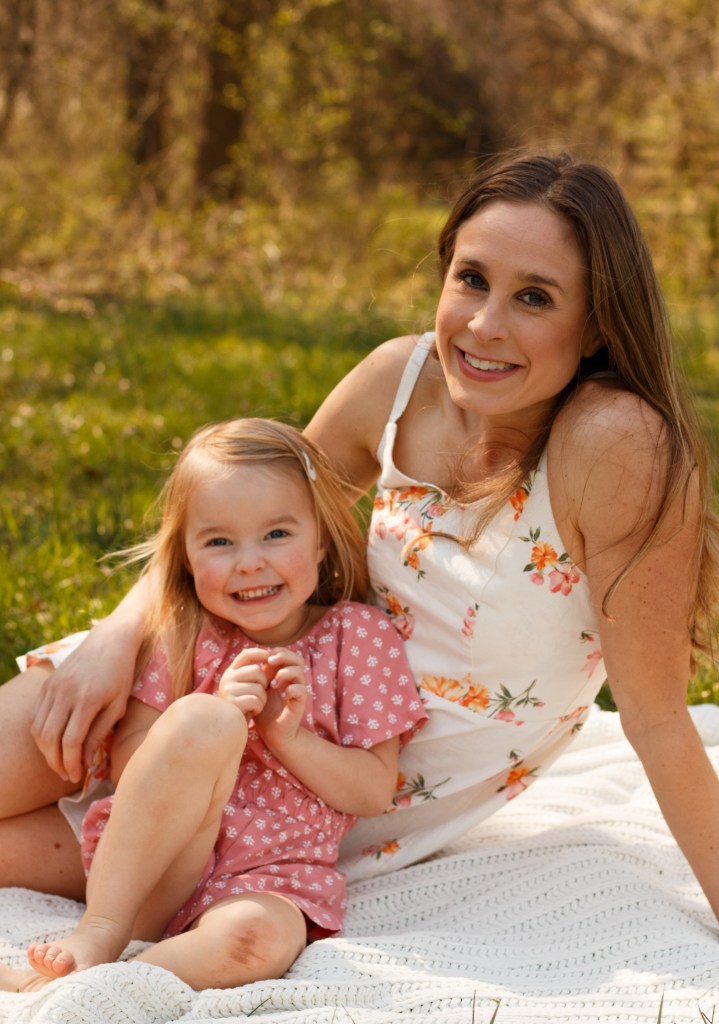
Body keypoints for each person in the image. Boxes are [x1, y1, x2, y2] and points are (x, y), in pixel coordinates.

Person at [2, 150, 719, 946]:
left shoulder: (617, 446)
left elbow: (657, 721)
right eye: (471, 279)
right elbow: (244, 519)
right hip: (190, 677)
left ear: (596, 324)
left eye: (534, 297)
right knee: (48, 717)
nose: (484, 325)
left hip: (301, 794)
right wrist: (113, 638)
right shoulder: (400, 381)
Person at [0, 418, 427, 992]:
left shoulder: (359, 636)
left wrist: (287, 738)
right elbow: (128, 766)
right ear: (185, 558)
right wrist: (221, 714)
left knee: (258, 938)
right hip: (156, 866)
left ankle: (97, 989)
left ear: (321, 540)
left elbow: (373, 790)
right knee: (205, 718)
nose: (249, 562)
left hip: (271, 876)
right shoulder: (185, 630)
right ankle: (100, 930)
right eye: (219, 542)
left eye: (277, 534)